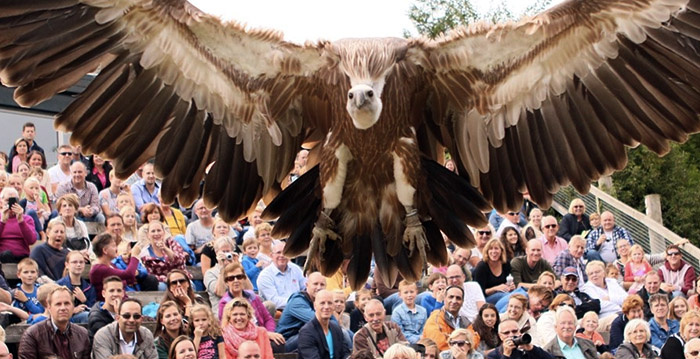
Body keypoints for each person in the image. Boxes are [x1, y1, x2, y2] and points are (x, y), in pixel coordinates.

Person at [18, 286, 91, 359]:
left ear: (73, 306)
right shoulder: (33, 334)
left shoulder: (82, 334)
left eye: (67, 303)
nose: (63, 308)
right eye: (58, 304)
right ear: (49, 307)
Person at [217, 262, 278, 343]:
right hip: (240, 340)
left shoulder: (253, 297)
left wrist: (269, 332)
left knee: (279, 343)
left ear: (244, 278)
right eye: (231, 278)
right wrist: (263, 334)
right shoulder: (224, 303)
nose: (236, 281)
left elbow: (268, 318)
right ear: (226, 282)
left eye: (239, 277)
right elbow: (228, 330)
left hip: (262, 335)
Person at [92, 298, 158, 359]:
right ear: (117, 318)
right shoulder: (104, 336)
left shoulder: (146, 335)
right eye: (126, 316)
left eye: (136, 316)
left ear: (141, 319)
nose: (131, 320)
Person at [277, 272, 327, 351]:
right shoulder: (297, 301)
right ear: (307, 285)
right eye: (315, 284)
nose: (319, 287)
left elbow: (332, 323)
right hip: (286, 342)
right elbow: (319, 321)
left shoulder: (320, 302)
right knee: (317, 332)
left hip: (302, 339)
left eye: (322, 285)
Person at [89, 232, 143, 301]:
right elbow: (129, 274)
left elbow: (130, 279)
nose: (116, 249)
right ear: (105, 250)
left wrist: (129, 257)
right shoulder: (98, 269)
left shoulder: (111, 265)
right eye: (113, 246)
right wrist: (134, 255)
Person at [298, 289, 350, 359]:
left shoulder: (336, 328)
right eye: (322, 303)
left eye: (330, 303)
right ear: (315, 306)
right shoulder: (306, 332)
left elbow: (345, 353)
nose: (326, 307)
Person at [138, 221, 189, 288]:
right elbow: (149, 274)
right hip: (162, 282)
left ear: (164, 232)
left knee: (190, 285)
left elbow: (181, 261)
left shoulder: (173, 243)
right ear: (148, 235)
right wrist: (168, 280)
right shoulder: (145, 253)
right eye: (153, 231)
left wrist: (165, 249)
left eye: (159, 230)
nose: (156, 233)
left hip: (180, 278)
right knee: (162, 287)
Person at [258, 242, 306, 311]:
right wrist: (298, 303)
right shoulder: (265, 276)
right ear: (271, 255)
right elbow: (274, 302)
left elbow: (306, 287)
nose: (282, 255)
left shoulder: (295, 269)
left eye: (285, 252)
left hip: (300, 308)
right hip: (280, 312)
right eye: (278, 252)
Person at [423, 285, 470, 351]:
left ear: (462, 302)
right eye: (451, 297)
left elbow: (474, 340)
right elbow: (438, 344)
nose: (454, 301)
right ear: (444, 299)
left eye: (458, 298)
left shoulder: (465, 321)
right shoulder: (435, 318)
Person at [203, 237, 242, 312]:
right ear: (216, 252)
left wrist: (238, 266)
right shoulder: (210, 273)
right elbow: (221, 293)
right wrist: (222, 268)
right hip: (222, 311)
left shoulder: (238, 270)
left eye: (228, 251)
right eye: (223, 251)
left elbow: (249, 289)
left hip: (241, 309)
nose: (226, 254)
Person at [55, 251, 95, 323]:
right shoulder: (59, 285)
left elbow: (93, 309)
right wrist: (73, 310)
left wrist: (84, 300)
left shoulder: (89, 287)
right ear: (67, 265)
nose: (78, 265)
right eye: (74, 262)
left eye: (81, 262)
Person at [0, 187, 36, 262]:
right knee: (7, 254)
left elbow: (32, 240)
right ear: (1, 202)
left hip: (22, 257)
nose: (11, 204)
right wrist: (2, 221)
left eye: (14, 201)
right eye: (7, 200)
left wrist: (21, 221)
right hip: (2, 256)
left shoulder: (27, 219)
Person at [474, 238, 515, 305]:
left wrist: (510, 286)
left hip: (504, 294)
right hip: (486, 298)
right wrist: (496, 288)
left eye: (496, 248)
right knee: (508, 298)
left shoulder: (505, 264)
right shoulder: (482, 267)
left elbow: (507, 282)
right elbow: (479, 292)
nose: (494, 251)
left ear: (501, 251)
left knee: (520, 293)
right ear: (487, 251)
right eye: (491, 249)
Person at [486, 319, 553, 359]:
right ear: (500, 336)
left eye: (515, 331)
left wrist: (532, 348)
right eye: (506, 333)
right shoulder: (493, 355)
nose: (511, 335)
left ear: (520, 332)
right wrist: (506, 355)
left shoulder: (527, 351)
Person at [88, 276, 124, 340]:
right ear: (104, 293)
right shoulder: (96, 317)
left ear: (123, 293)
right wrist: (118, 314)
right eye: (111, 291)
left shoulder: (126, 311)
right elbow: (109, 339)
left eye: (119, 291)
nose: (115, 294)